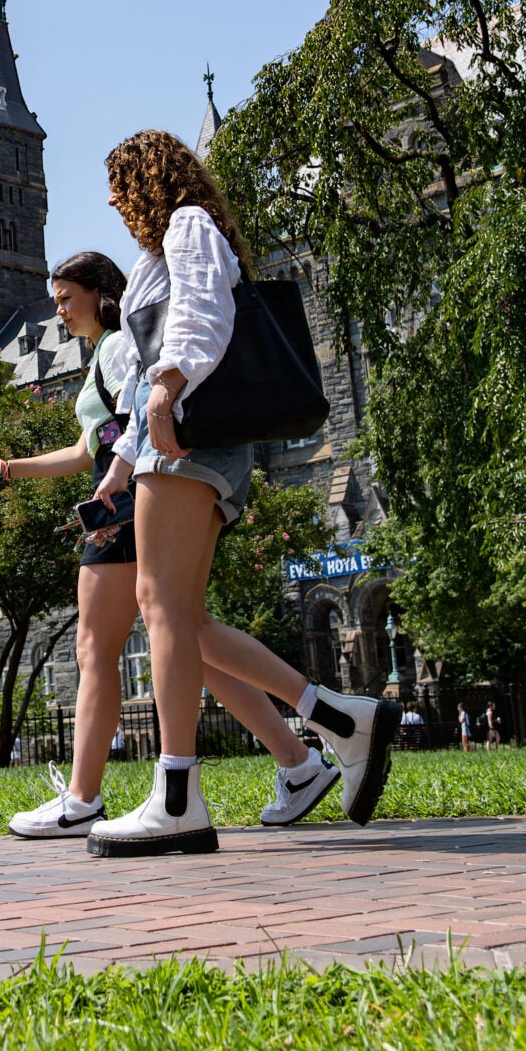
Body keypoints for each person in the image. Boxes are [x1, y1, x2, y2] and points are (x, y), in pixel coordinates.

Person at [0, 251, 357, 841]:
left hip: (129, 495)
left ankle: (82, 799)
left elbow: (131, 430)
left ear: (99, 292)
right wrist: (7, 468)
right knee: (187, 636)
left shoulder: (121, 345)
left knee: (98, 645)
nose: (60, 310)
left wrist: (113, 497)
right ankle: (299, 762)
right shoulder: (104, 352)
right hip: (127, 488)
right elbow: (83, 448)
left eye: (67, 297)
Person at [80, 131, 393, 856]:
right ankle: (340, 721)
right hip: (169, 441)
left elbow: (202, 316)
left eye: (119, 182)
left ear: (147, 179)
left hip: (193, 439)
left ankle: (180, 794)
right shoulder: (157, 251)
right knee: (180, 622)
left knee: (166, 614)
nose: (111, 200)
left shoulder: (188, 225)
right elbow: (147, 365)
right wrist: (122, 461)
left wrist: (166, 390)